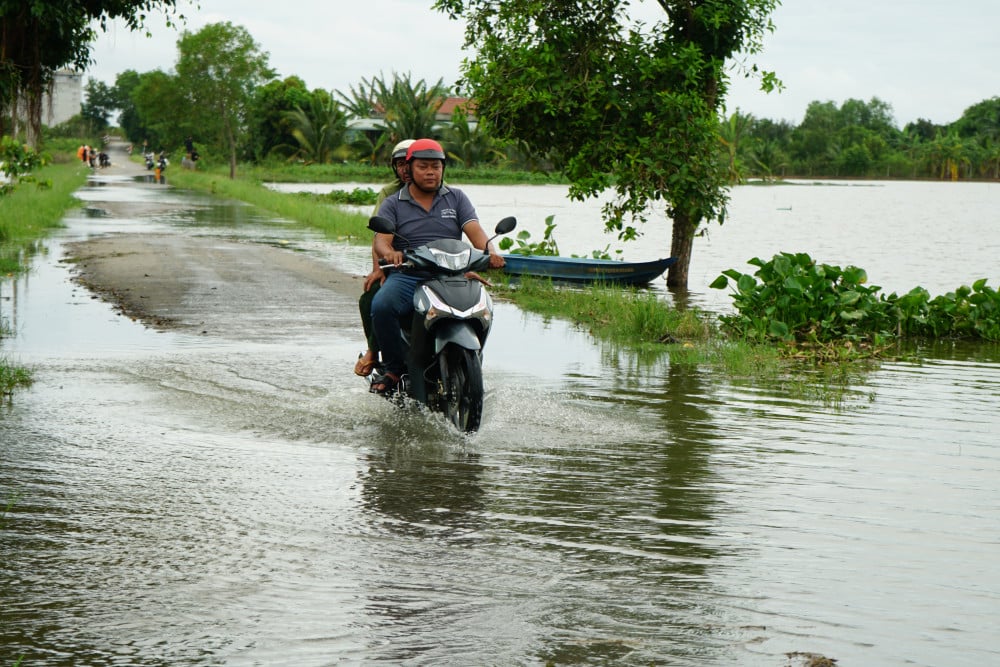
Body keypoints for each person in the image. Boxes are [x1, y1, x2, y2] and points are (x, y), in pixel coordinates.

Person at [368, 138, 505, 394]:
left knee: (483, 307)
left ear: (443, 169)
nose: (431, 172)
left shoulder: (456, 198)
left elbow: (475, 232)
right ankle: (393, 369)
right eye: (423, 167)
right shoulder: (393, 202)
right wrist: (391, 254)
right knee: (381, 305)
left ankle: (472, 359)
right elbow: (381, 242)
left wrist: (491, 253)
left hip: (451, 273)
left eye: (436, 166)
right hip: (409, 274)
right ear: (409, 169)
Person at [354, 138, 414, 377]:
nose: (405, 170)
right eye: (400, 165)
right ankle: (374, 350)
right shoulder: (389, 195)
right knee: (371, 299)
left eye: (410, 164)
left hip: (434, 262)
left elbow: (454, 232)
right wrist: (379, 268)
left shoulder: (445, 192)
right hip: (396, 262)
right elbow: (378, 236)